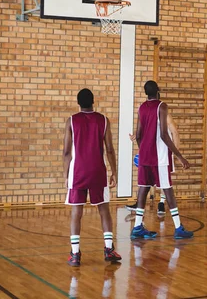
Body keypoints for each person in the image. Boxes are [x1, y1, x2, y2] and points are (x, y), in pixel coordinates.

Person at [63, 88, 122, 266]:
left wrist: (65, 175)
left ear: (78, 103)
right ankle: (109, 249)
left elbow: (66, 152)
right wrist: (114, 172)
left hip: (78, 172)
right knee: (104, 210)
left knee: (76, 212)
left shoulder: (72, 121)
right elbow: (110, 149)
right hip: (98, 171)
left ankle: (75, 255)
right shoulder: (103, 120)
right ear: (93, 101)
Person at [130, 80, 194, 239]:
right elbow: (164, 135)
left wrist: (143, 149)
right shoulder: (162, 106)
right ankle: (179, 228)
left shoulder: (142, 108)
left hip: (145, 157)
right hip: (159, 157)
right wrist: (180, 156)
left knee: (143, 190)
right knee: (168, 191)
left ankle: (137, 226)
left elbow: (138, 135)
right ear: (158, 91)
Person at [125, 113, 181, 216]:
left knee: (165, 183)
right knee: (145, 181)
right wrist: (136, 137)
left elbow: (175, 132)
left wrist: (176, 152)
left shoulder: (165, 115)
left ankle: (161, 203)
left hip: (163, 154)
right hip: (151, 153)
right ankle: (139, 205)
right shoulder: (147, 115)